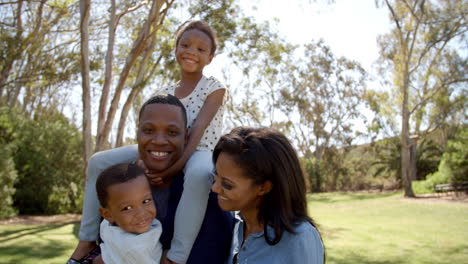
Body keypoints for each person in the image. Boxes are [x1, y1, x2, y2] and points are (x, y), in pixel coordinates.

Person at [69, 20, 228, 264]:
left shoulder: (214, 88)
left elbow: (195, 131)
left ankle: (177, 256)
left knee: (199, 175)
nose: (191, 52)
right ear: (176, 48)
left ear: (210, 57)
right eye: (185, 45)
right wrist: (142, 162)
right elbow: (148, 130)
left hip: (199, 150)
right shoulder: (163, 91)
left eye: (200, 49)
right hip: (164, 149)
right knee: (99, 161)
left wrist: (171, 170)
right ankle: (87, 239)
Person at [68, 94, 233, 264]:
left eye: (172, 132)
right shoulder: (118, 189)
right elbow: (108, 251)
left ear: (185, 136)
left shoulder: (211, 198)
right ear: (137, 132)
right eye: (148, 130)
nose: (159, 141)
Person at [211, 127, 325, 264]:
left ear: (264, 187)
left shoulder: (300, 239)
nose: (215, 188)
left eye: (227, 184)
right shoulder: (236, 226)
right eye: (215, 176)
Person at [96, 162, 162, 264]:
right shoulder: (134, 249)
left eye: (146, 201)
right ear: (108, 215)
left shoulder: (106, 225)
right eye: (127, 208)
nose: (141, 213)